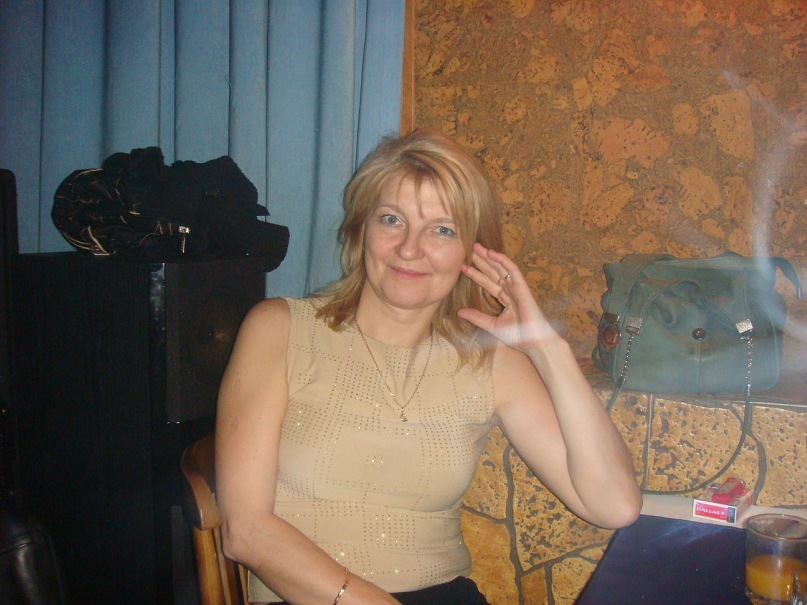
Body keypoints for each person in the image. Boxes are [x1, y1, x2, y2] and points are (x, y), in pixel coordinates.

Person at [215, 128, 642, 605]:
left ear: (472, 252)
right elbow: (246, 532)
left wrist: (547, 348)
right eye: (391, 219)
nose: (410, 248)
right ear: (360, 230)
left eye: (442, 230)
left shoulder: (491, 363)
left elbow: (615, 505)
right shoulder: (279, 329)